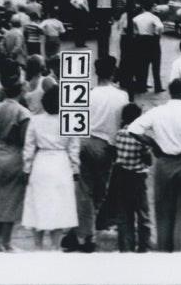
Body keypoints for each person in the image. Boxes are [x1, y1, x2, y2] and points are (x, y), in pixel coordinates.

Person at [128, 78, 181, 252]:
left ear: (170, 92)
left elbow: (134, 129)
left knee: (163, 212)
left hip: (163, 164)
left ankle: (164, 251)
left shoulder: (158, 112)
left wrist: (153, 144)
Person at [68, 56, 128, 253]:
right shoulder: (122, 96)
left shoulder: (87, 94)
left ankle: (81, 232)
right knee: (99, 193)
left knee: (84, 190)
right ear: (113, 72)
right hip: (105, 146)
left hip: (84, 142)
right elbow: (122, 124)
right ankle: (87, 234)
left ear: (96, 72)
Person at [21, 85, 80, 250]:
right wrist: (75, 169)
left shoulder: (35, 120)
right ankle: (55, 246)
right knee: (59, 207)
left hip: (41, 163)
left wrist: (27, 168)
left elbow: (29, 147)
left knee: (38, 205)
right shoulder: (70, 120)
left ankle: (38, 246)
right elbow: (74, 148)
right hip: (61, 164)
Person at [0, 69, 31, 252]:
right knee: (12, 201)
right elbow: (24, 141)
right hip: (14, 157)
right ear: (20, 90)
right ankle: (6, 241)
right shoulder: (23, 113)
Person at [110, 103, 153, 252]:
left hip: (122, 177)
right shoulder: (140, 137)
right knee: (142, 214)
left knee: (124, 216)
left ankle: (126, 248)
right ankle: (143, 246)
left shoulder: (119, 134)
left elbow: (115, 154)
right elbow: (148, 160)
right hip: (138, 178)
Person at [133, 0, 164, 94]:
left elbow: (134, 29)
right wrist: (157, 33)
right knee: (156, 65)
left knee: (143, 64)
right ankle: (157, 87)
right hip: (152, 41)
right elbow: (160, 27)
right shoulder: (154, 17)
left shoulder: (136, 18)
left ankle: (142, 86)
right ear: (151, 7)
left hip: (141, 41)